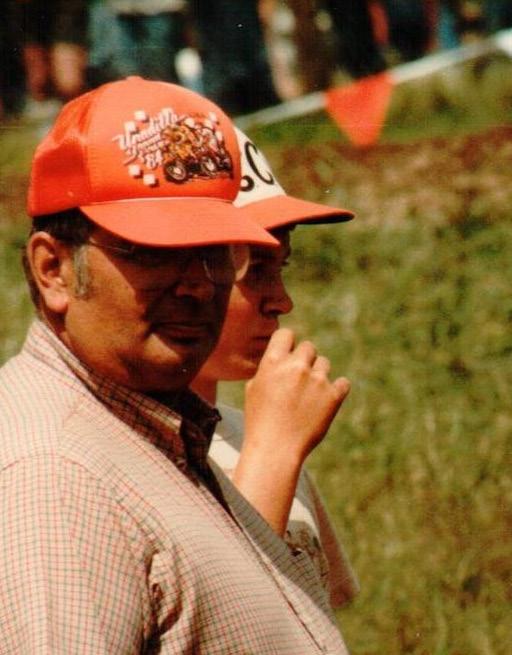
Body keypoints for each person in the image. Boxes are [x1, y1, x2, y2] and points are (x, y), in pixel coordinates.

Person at [0, 76, 349, 652]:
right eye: (155, 253)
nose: (198, 285)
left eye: (215, 254)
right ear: (53, 270)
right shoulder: (54, 479)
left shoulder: (154, 426)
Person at [193, 127, 359, 610]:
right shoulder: (270, 441)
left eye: (281, 268)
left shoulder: (251, 433)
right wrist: (275, 452)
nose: (282, 301)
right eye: (255, 271)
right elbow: (229, 621)